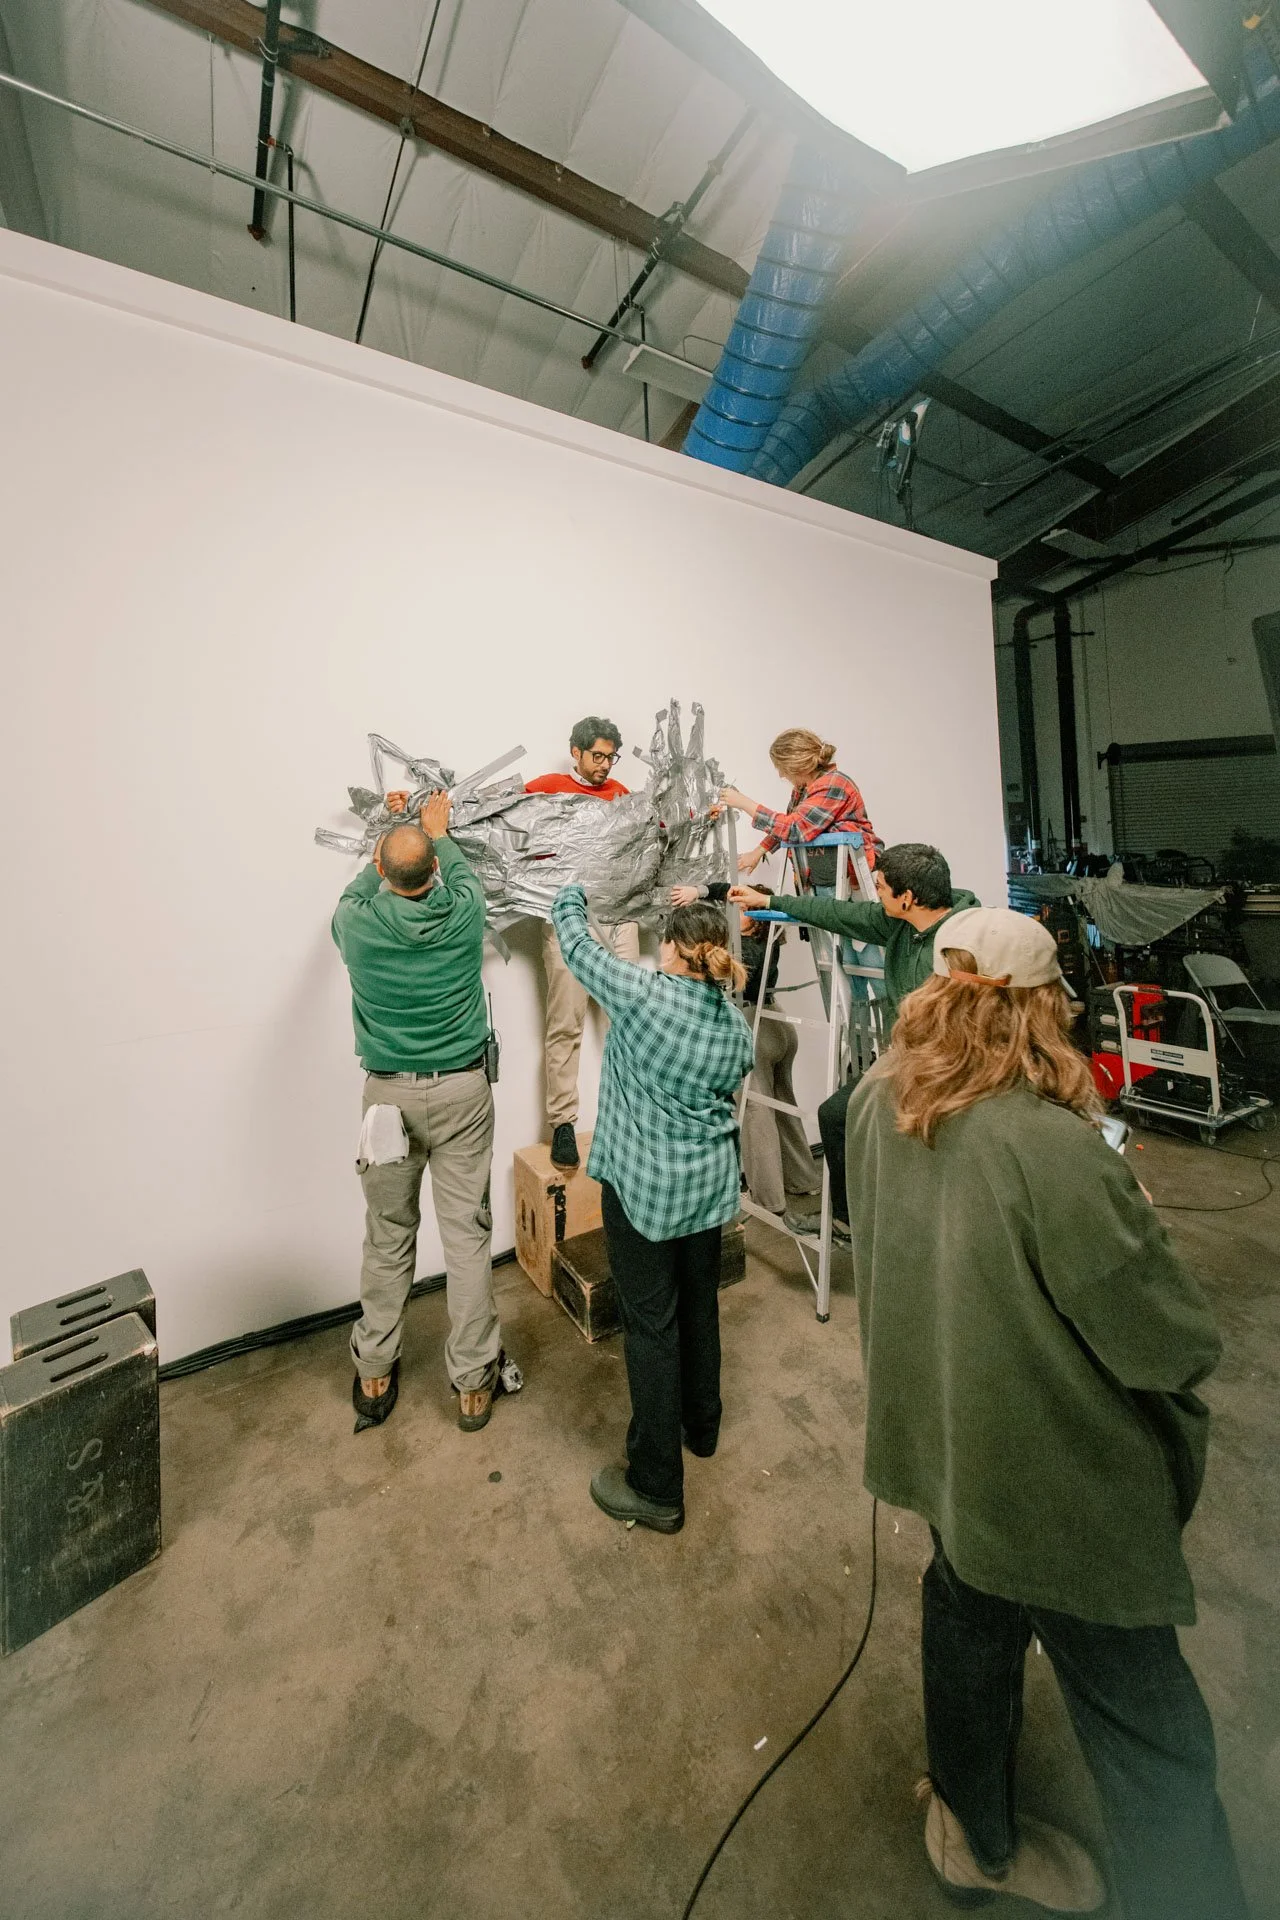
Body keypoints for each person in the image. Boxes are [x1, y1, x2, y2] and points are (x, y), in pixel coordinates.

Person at [844, 907, 1247, 1919]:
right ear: (1034, 1010)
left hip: (943, 1449)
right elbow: (1169, 1345)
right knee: (1149, 1735)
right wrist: (1125, 1215)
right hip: (1057, 1488)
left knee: (965, 1626)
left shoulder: (868, 1102)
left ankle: (971, 1840)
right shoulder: (1051, 1150)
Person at [550, 885, 754, 1535]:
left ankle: (657, 1485)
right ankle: (703, 1428)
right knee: (699, 1310)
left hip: (645, 1196)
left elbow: (578, 948)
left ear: (670, 948)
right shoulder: (732, 1024)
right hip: (708, 1191)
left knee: (652, 1330)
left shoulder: (644, 997)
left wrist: (569, 896)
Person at [332, 790, 518, 1436]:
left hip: (388, 1101)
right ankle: (472, 1385)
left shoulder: (356, 924)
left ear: (383, 872)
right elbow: (459, 870)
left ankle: (375, 1371)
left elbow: (360, 889)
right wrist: (435, 830)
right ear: (433, 872)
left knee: (388, 1237)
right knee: (466, 1240)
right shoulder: (464, 914)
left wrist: (394, 829)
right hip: (464, 1093)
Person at [733, 842, 977, 1239]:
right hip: (907, 1057)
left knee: (921, 1134)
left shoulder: (965, 941)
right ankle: (848, 1221)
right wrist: (768, 898)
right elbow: (835, 912)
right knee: (835, 1114)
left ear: (908, 897)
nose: (875, 893)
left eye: (880, 887)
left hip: (950, 1063)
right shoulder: (895, 922)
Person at [526, 717, 640, 1170]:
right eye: (598, 755)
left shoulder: (622, 795)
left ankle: (634, 1117)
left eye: (612, 757)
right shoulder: (548, 787)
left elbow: (655, 834)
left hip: (619, 919)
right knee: (565, 1025)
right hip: (568, 919)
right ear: (575, 751)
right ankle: (562, 1125)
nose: (605, 765)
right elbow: (491, 813)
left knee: (632, 1017)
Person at [670, 880, 820, 1219]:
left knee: (755, 1113)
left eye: (741, 910)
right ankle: (804, 1179)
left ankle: (767, 1200)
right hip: (777, 1023)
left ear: (756, 917)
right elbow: (730, 891)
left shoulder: (745, 950)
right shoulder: (766, 941)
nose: (733, 912)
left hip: (754, 1027)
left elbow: (716, 969)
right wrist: (701, 891)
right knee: (782, 1104)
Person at [719, 728, 880, 882]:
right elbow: (786, 825)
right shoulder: (803, 789)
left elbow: (795, 828)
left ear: (796, 766)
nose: (781, 775)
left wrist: (744, 803)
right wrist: (757, 853)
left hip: (852, 868)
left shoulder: (834, 784)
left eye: (782, 769)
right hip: (825, 872)